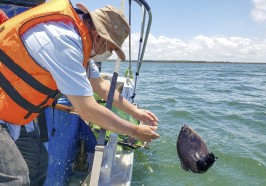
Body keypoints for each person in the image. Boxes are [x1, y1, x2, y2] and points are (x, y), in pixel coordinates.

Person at [0, 0, 159, 185]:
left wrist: (136, 112)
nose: (110, 54)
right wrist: (135, 130)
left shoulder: (80, 42)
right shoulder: (63, 41)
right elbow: (88, 110)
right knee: (16, 179)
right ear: (99, 36)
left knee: (37, 164)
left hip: (13, 115)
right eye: (111, 48)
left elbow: (102, 86)